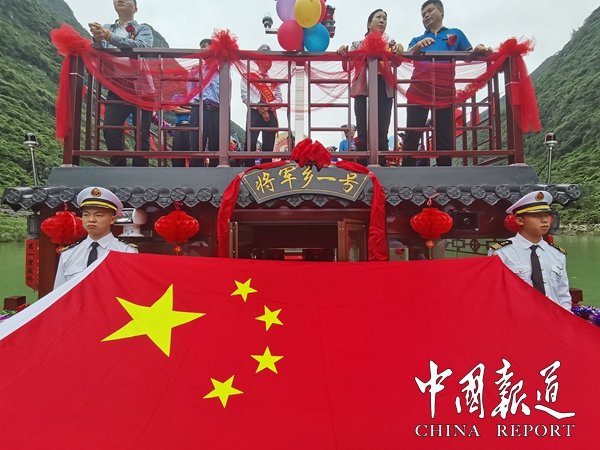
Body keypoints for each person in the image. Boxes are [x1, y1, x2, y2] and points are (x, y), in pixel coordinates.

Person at [402, 0, 491, 167]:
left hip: (444, 92)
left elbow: (469, 55)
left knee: (444, 134)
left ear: (441, 12)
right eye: (423, 14)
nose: (426, 16)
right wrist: (417, 47)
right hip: (418, 90)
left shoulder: (455, 33)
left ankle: (445, 171)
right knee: (412, 133)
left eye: (429, 11)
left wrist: (478, 49)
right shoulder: (417, 39)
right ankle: (406, 172)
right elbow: (406, 56)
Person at [89, 0, 154, 167]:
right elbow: (97, 49)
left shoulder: (143, 29)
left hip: (142, 87)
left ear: (135, 7)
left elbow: (141, 46)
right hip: (117, 85)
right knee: (110, 128)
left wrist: (109, 37)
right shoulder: (106, 27)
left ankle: (140, 170)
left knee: (142, 133)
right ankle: (118, 167)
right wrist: (97, 38)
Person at [337, 9, 404, 165]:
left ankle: (381, 167)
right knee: (362, 131)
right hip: (363, 88)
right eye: (378, 17)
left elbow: (397, 63)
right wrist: (343, 53)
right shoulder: (357, 44)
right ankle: (362, 169)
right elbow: (348, 66)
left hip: (384, 87)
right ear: (369, 23)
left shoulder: (391, 45)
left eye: (385, 18)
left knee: (382, 130)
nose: (382, 20)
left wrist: (399, 50)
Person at [488, 191, 571, 311]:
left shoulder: (557, 254)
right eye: (536, 216)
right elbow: (495, 292)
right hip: (518, 317)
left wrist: (564, 317)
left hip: (552, 317)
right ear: (519, 220)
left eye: (547, 215)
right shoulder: (502, 253)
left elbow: (563, 294)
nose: (544, 220)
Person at [54, 187, 138, 288]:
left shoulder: (126, 251)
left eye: (98, 215)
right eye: (86, 215)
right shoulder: (69, 254)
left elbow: (132, 289)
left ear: (112, 219)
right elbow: (59, 292)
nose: (91, 220)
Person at [240, 44, 283, 167]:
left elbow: (279, 99)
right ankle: (248, 170)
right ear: (257, 61)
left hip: (271, 111)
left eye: (269, 59)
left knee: (269, 145)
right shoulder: (248, 77)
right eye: (264, 58)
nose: (267, 62)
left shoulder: (273, 80)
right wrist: (260, 107)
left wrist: (267, 107)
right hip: (254, 111)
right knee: (250, 143)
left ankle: (266, 170)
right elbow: (245, 95)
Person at [189, 38, 220, 167]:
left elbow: (226, 93)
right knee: (196, 143)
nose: (203, 50)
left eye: (205, 47)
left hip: (216, 110)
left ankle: (216, 172)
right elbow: (190, 91)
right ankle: (195, 171)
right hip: (199, 108)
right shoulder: (195, 70)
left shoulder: (222, 71)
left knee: (216, 144)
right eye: (201, 47)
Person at [170, 93, 192, 167]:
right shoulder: (177, 96)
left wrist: (182, 105)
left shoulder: (195, 95)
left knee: (193, 153)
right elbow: (175, 108)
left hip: (193, 126)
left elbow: (198, 108)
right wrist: (191, 110)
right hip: (180, 126)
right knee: (177, 153)